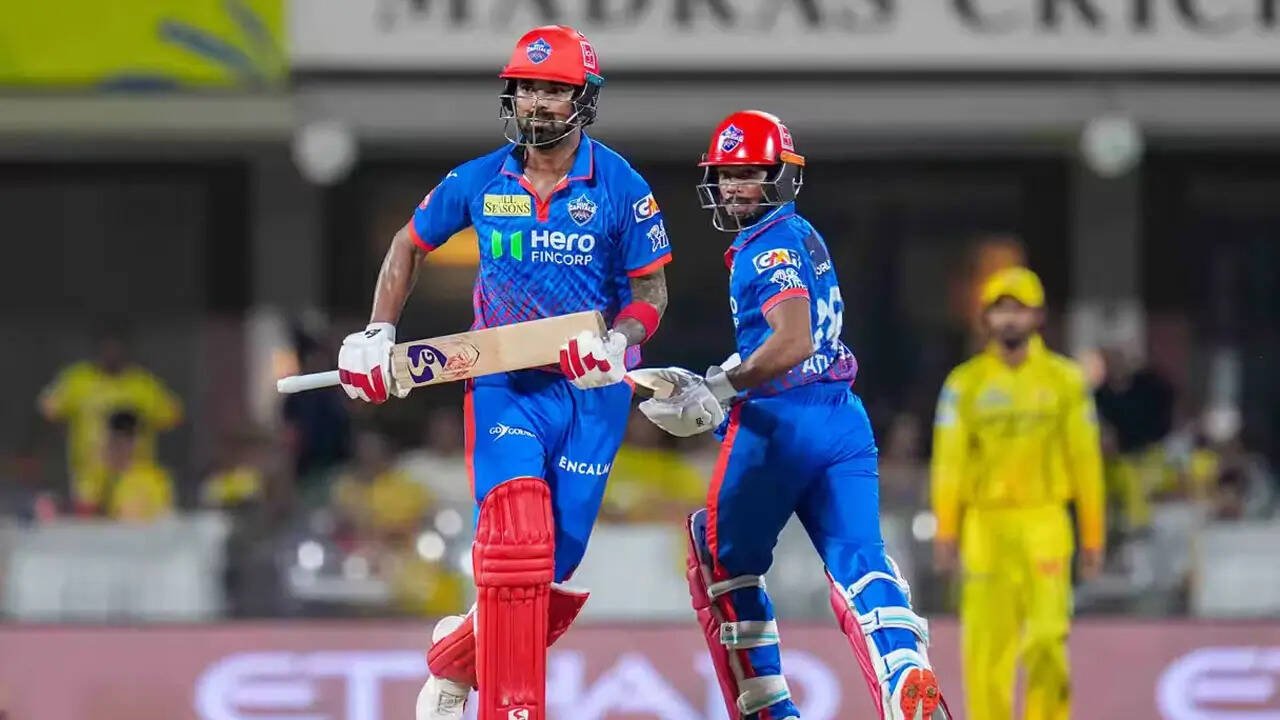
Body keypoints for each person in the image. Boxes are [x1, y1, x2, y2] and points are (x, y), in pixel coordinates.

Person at [331, 25, 671, 720]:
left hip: (593, 386)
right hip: (505, 382)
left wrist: (619, 339)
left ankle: (455, 659)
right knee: (517, 539)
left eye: (554, 89)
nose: (537, 102)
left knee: (554, 565)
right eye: (526, 88)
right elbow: (408, 244)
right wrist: (378, 330)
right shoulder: (479, 179)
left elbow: (652, 292)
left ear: (584, 99)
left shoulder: (620, 185)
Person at [636, 110, 948, 720]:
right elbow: (796, 341)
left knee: (720, 563)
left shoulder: (764, 248)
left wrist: (721, 386)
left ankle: (769, 711)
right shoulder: (802, 232)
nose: (732, 187)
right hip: (843, 419)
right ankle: (904, 672)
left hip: (778, 427)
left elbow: (793, 339)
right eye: (726, 175)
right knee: (861, 562)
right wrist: (723, 374)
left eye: (748, 174)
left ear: (778, 175)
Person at [930, 266, 1105, 720]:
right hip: (984, 527)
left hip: (1046, 521)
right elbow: (949, 464)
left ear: (1038, 316)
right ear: (986, 319)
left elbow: (1086, 461)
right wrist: (946, 532)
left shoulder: (1065, 380)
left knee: (1047, 637)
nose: (1009, 319)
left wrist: (1093, 536)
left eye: (1019, 309)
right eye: (999, 309)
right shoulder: (964, 384)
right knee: (986, 650)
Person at [38, 325, 181, 503]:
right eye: (107, 348)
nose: (112, 353)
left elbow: (172, 416)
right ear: (97, 349)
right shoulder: (78, 380)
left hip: (133, 480)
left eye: (117, 348)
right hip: (88, 477)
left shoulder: (143, 384)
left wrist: (137, 429)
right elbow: (48, 411)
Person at [76, 410, 175, 522]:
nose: (118, 448)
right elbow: (83, 513)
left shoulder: (152, 479)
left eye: (123, 442)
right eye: (113, 441)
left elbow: (131, 518)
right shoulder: (95, 476)